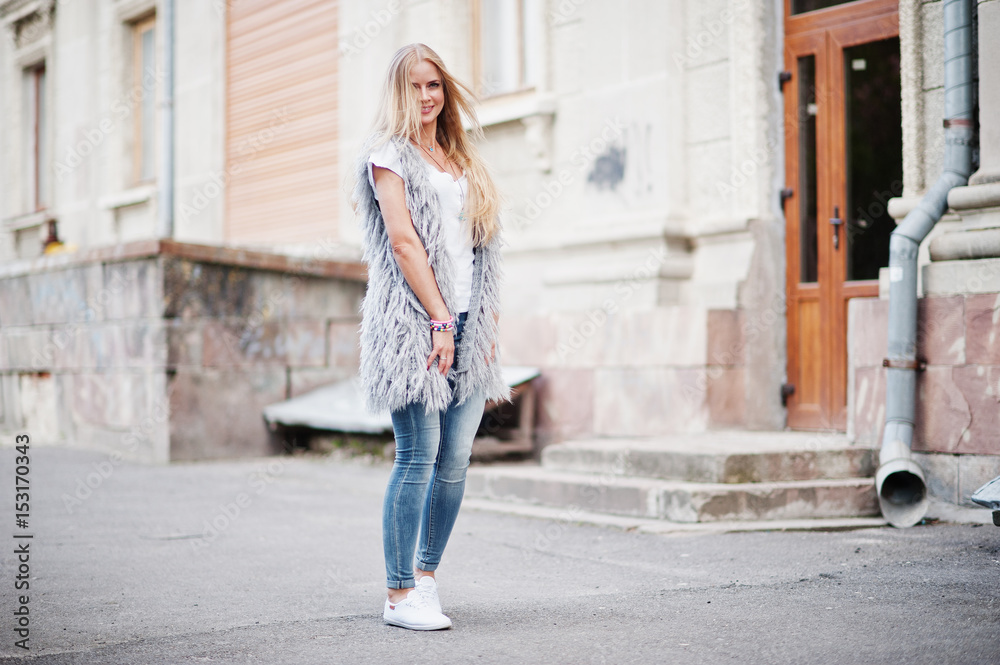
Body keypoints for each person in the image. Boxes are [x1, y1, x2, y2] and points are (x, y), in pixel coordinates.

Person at [351, 43, 509, 631]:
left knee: (457, 459)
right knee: (418, 456)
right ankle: (396, 597)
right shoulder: (387, 155)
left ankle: (425, 579)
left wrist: (484, 322)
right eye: (416, 86)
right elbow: (403, 242)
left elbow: (481, 248)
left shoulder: (459, 158)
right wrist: (440, 319)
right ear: (399, 91)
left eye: (435, 86)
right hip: (414, 322)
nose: (427, 96)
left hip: (471, 320)